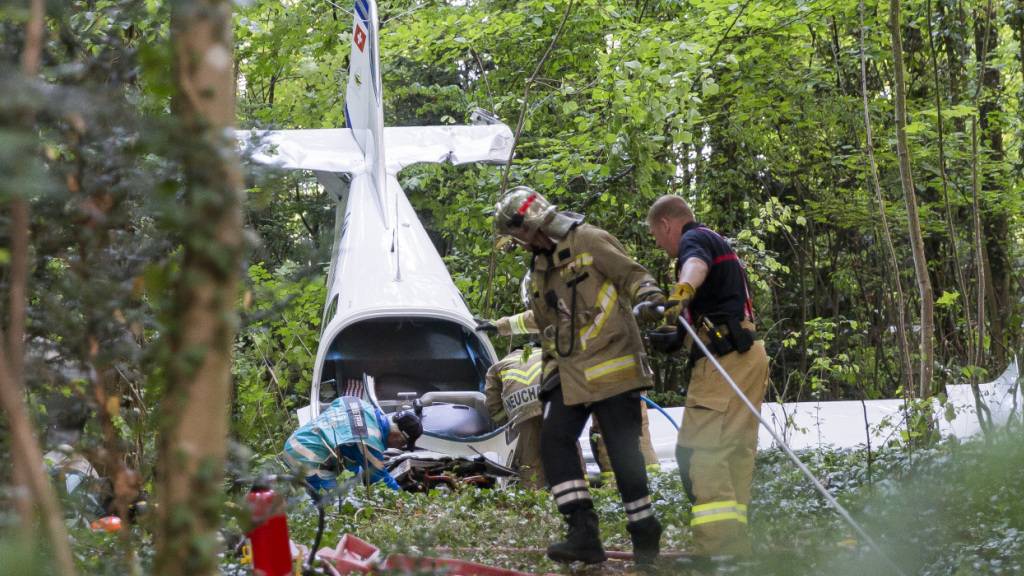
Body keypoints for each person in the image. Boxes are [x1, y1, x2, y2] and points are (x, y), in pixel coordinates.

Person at [492, 186, 666, 565]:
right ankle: (582, 531)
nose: (520, 245)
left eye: (519, 236)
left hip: (612, 365)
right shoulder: (540, 267)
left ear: (532, 225)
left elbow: (632, 276)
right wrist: (502, 326)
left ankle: (644, 532)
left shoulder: (589, 240)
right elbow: (543, 318)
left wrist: (649, 298)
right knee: (554, 441)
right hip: (567, 372)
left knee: (622, 456)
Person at [645, 195, 769, 558]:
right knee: (733, 454)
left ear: (667, 224)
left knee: (701, 453)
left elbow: (694, 268)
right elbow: (713, 301)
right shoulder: (715, 240)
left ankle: (717, 551)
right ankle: (735, 547)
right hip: (746, 355)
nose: (659, 243)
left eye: (656, 235)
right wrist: (677, 337)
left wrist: (678, 295)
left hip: (724, 362)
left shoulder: (692, 240)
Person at [282, 396, 422, 492]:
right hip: (307, 457)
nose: (398, 448)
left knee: (354, 478)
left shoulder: (362, 406)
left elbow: (350, 451)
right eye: (403, 444)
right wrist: (402, 500)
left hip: (295, 443)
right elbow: (379, 480)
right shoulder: (370, 439)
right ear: (399, 437)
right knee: (332, 504)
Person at [483, 346, 545, 488]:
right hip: (551, 399)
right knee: (566, 448)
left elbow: (492, 402)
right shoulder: (546, 352)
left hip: (521, 408)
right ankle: (582, 491)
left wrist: (508, 423)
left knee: (530, 460)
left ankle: (534, 498)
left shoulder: (498, 366)